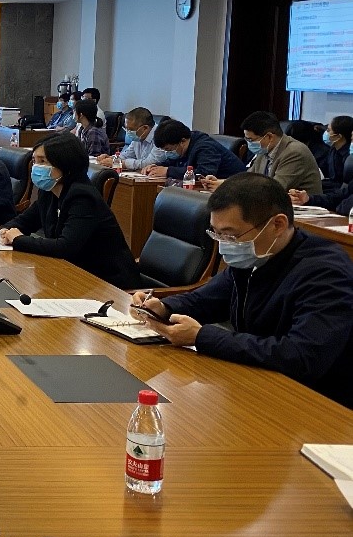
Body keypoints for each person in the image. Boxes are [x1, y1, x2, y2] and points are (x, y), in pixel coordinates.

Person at [132, 174, 353, 408]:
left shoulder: (326, 273)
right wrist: (163, 307)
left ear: (277, 225)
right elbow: (208, 299)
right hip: (257, 384)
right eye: (216, 233)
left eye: (231, 235)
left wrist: (201, 336)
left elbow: (301, 356)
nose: (224, 244)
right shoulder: (257, 255)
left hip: (316, 403)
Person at [0, 133, 142, 290]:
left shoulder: (83, 197)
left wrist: (18, 239)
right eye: (34, 160)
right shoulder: (49, 191)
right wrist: (4, 231)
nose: (36, 167)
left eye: (43, 161)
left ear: (65, 165)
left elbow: (65, 247)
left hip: (109, 284)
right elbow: (24, 221)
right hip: (73, 275)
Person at [203, 111, 322, 195]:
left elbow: (273, 189)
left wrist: (229, 187)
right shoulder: (265, 150)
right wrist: (222, 182)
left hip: (304, 213)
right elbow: (248, 178)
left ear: (269, 136)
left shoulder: (295, 152)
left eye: (250, 140)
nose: (248, 144)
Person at [142, 119, 247, 181]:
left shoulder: (205, 147)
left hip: (234, 188)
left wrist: (168, 171)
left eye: (168, 149)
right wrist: (157, 166)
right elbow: (175, 161)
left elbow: (204, 173)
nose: (167, 153)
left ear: (182, 141)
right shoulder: (187, 143)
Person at [95, 107, 162, 171]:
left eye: (131, 129)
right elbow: (126, 155)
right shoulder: (139, 137)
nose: (128, 132)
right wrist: (111, 158)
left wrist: (120, 163)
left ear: (145, 128)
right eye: (126, 128)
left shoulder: (161, 136)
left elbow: (149, 163)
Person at [318, 115, 351, 192]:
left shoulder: (348, 157)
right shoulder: (333, 149)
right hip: (330, 186)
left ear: (338, 136)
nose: (326, 133)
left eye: (328, 130)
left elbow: (342, 186)